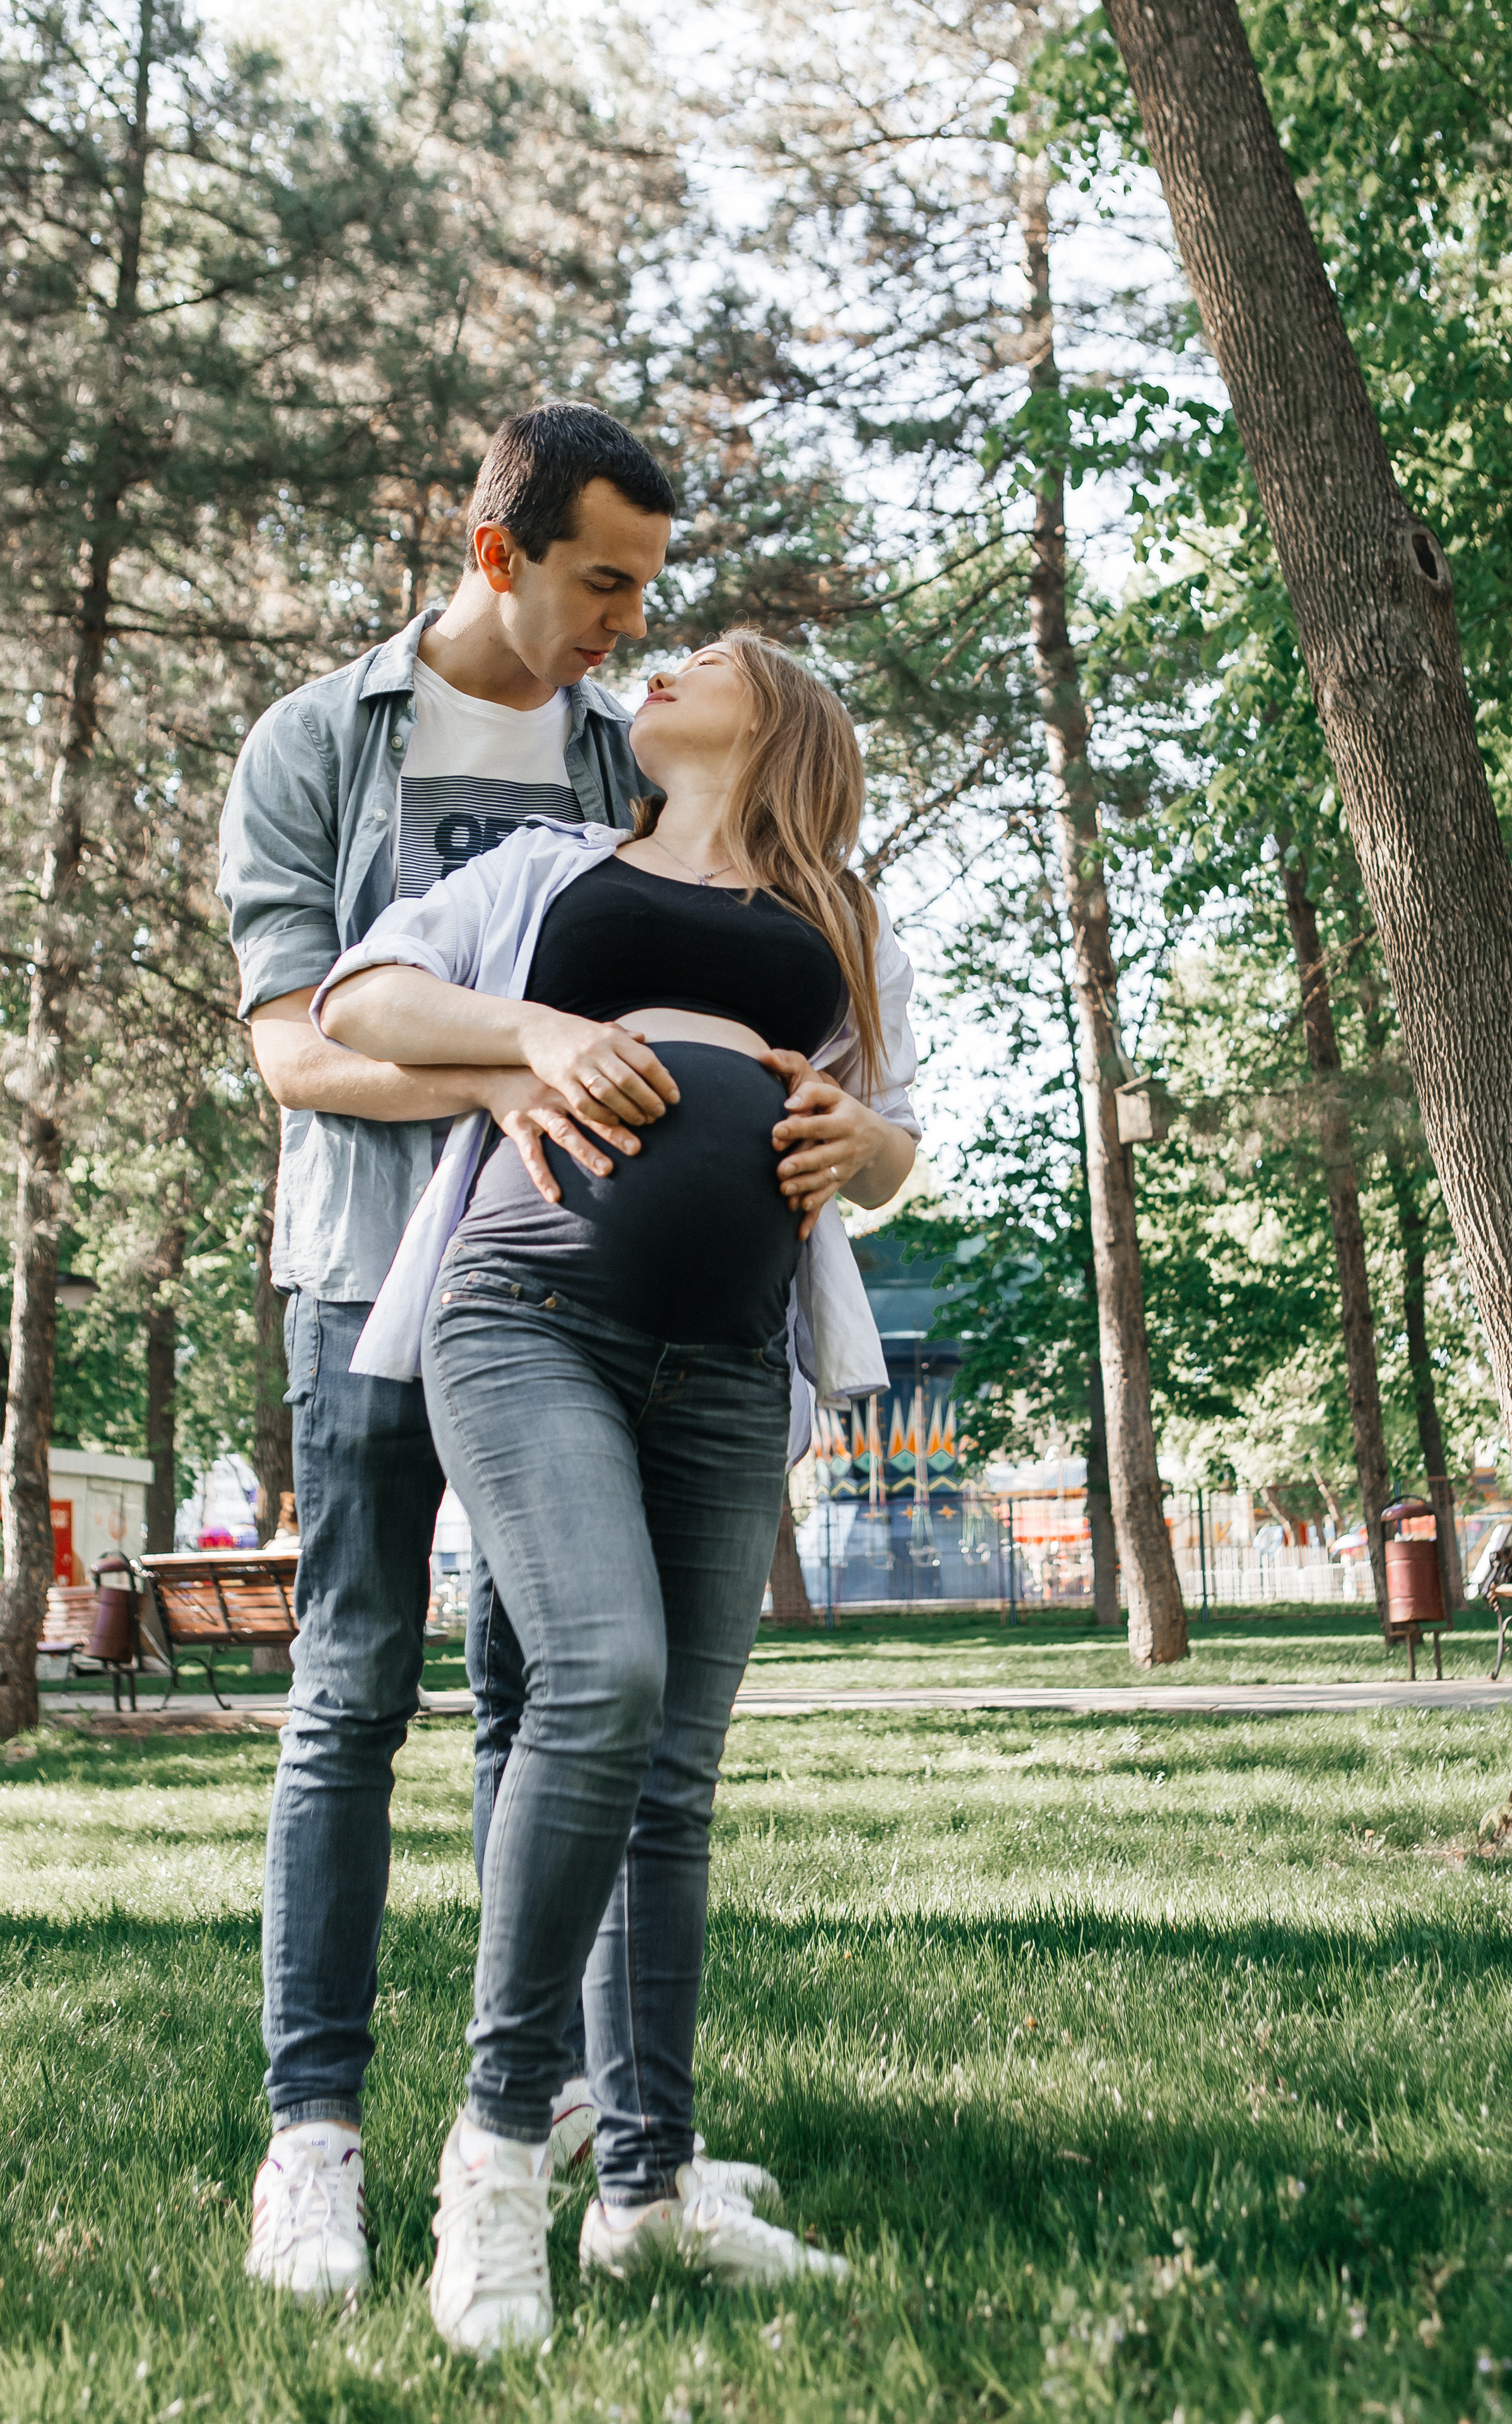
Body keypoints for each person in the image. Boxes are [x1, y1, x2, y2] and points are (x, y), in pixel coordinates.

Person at [316, 631, 921, 2351]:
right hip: (527, 1316)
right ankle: (502, 2152)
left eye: (701, 655)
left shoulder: (843, 919)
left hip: (732, 1364)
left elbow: (893, 1135)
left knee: (672, 1781)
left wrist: (856, 1145)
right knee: (599, 1679)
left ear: (781, 712)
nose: (653, 666)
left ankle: (647, 2195)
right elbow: (365, 998)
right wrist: (543, 1040)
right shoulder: (545, 872)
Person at [218, 403, 685, 2301]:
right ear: (496, 553)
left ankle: (551, 2099)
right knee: (352, 1699)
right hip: (359, 1281)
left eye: (649, 592)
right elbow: (296, 1048)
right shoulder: (320, 744)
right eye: (603, 584)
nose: (629, 630)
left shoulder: (623, 761)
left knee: (539, 1697)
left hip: (555, 1287)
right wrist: (524, 1048)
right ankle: (309, 2141)